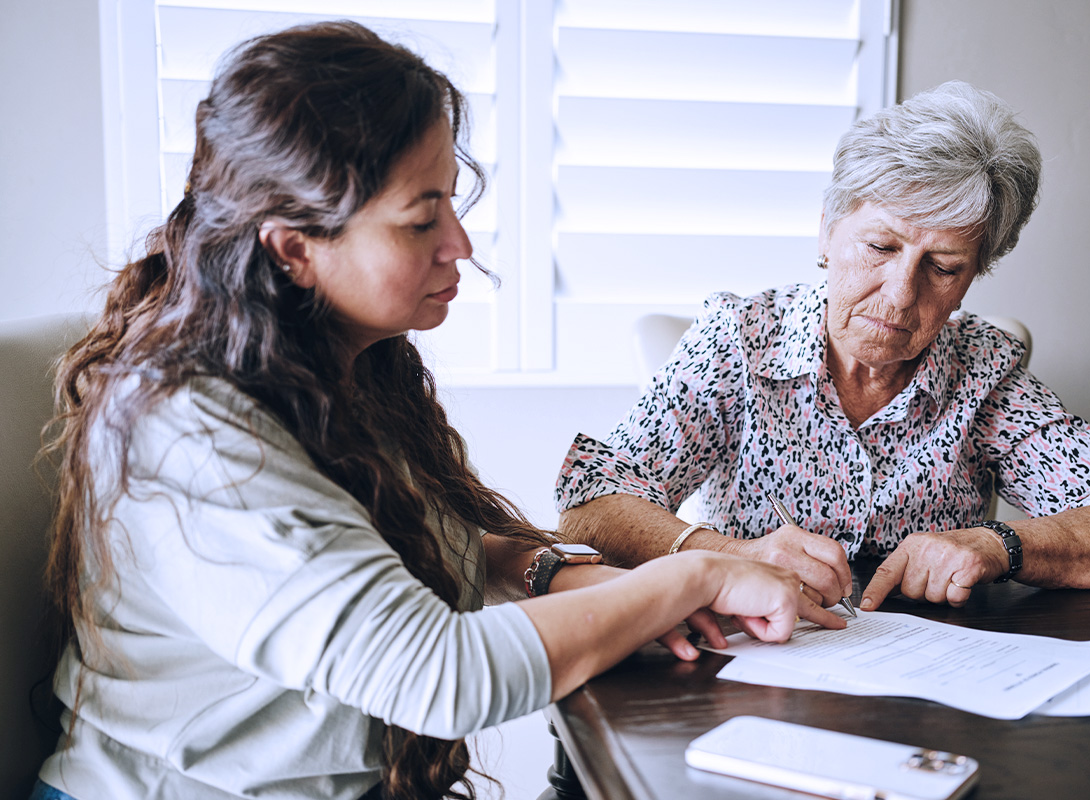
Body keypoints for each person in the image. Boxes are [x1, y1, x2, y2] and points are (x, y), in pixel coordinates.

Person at [31, 22, 835, 800]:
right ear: (293, 249)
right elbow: (436, 675)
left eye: (452, 203)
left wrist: (549, 569)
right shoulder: (192, 433)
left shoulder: (337, 364)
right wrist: (692, 572)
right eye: (421, 220)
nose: (461, 244)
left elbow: (406, 545)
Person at [555, 81, 1090, 616]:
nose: (899, 295)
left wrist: (998, 542)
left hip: (929, 691)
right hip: (752, 667)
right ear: (828, 232)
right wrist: (729, 554)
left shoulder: (985, 372)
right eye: (881, 247)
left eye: (943, 266)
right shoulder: (739, 342)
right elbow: (591, 506)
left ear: (972, 278)